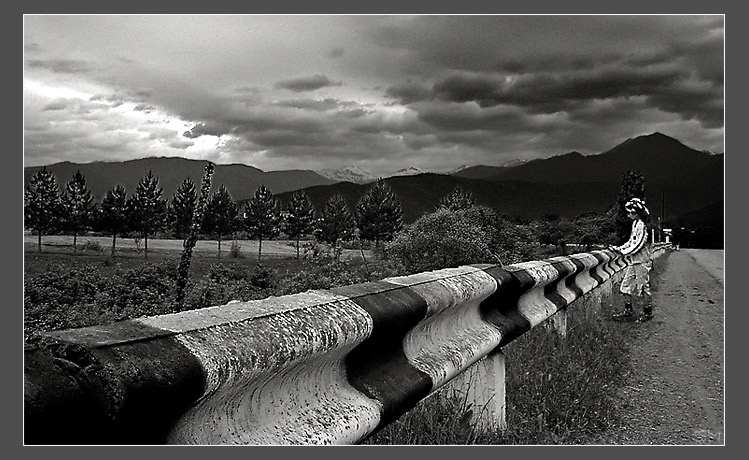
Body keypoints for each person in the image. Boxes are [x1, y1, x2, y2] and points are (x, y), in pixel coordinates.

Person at [609, 198, 653, 323]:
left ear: (637, 213)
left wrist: (623, 252)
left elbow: (638, 244)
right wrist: (620, 248)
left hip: (642, 261)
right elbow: (631, 242)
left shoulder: (642, 226)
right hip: (634, 261)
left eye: (631, 213)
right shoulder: (635, 224)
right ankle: (628, 311)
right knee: (625, 286)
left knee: (643, 287)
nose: (628, 215)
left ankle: (647, 312)